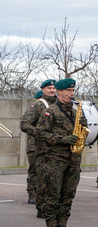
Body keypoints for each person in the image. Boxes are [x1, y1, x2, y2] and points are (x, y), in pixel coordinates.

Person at [34, 78, 87, 227]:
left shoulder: (75, 111)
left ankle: (62, 224)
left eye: (73, 91)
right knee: (53, 193)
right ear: (60, 92)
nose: (72, 94)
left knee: (68, 193)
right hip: (55, 159)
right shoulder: (50, 111)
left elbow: (81, 128)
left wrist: (83, 126)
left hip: (73, 158)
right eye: (69, 91)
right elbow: (40, 133)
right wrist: (63, 139)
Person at [20, 79, 56, 216]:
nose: (52, 90)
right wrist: (39, 133)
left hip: (50, 146)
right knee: (35, 171)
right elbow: (24, 123)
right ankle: (32, 194)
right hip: (35, 145)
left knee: (48, 174)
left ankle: (48, 201)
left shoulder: (58, 105)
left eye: (53, 88)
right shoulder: (38, 105)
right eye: (49, 88)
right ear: (43, 89)